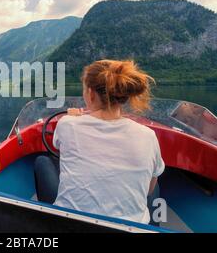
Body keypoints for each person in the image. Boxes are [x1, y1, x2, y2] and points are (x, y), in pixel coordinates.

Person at [34, 60, 164, 224]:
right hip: (130, 227)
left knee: (42, 161)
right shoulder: (148, 136)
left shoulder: (67, 124)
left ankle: (44, 221)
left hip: (70, 226)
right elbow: (149, 190)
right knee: (155, 183)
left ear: (90, 93)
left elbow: (59, 148)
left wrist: (74, 118)